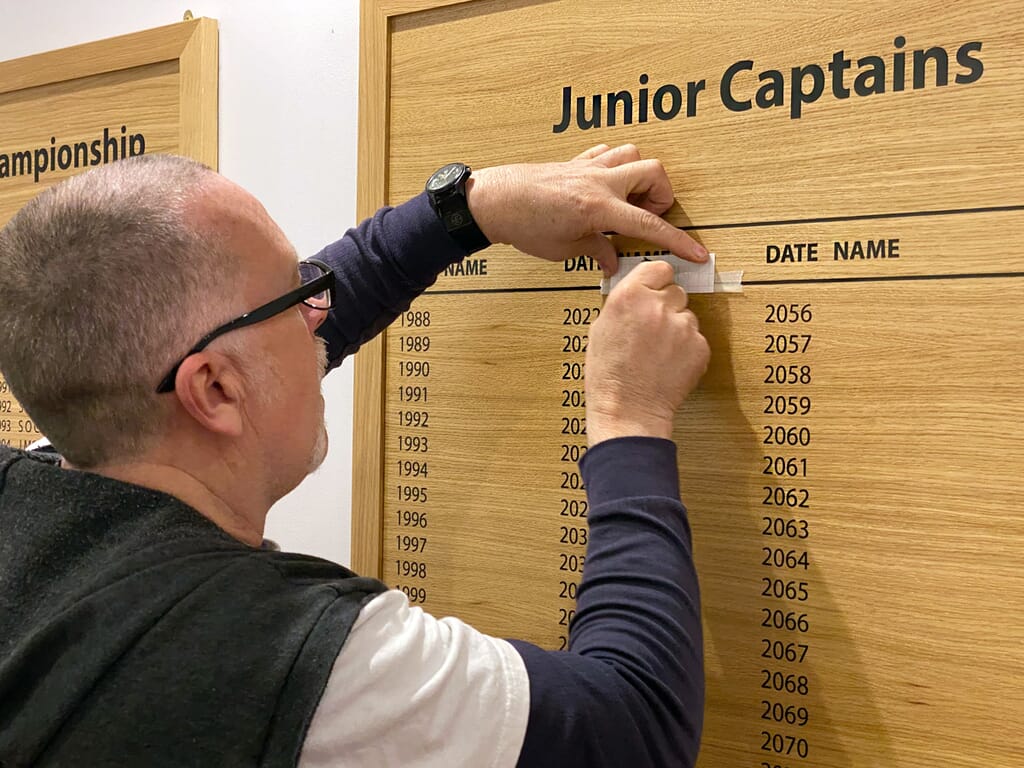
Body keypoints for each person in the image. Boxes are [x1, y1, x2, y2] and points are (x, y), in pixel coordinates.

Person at [0, 144, 711, 767]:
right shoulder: (294, 659)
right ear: (212, 388)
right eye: (298, 295)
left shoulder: (41, 479)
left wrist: (467, 210)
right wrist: (629, 417)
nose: (321, 312)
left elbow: (251, 347)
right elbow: (634, 725)